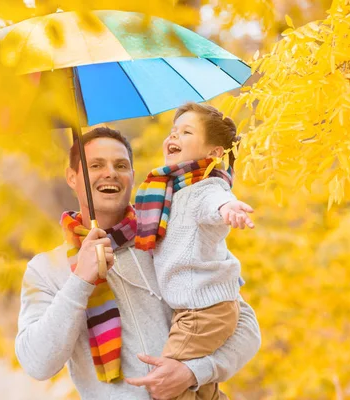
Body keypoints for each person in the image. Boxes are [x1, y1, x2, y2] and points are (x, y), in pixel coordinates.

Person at [15, 126, 261, 400]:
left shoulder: (172, 235)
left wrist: (193, 372)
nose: (110, 173)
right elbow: (36, 363)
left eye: (120, 165)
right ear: (72, 177)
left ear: (132, 176)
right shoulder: (46, 269)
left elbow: (246, 326)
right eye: (96, 165)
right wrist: (80, 281)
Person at [134, 102, 254, 399]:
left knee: (165, 385)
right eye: (173, 131)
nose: (173, 138)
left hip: (202, 311)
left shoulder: (205, 187)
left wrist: (230, 209)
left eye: (186, 132)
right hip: (201, 309)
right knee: (198, 388)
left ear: (213, 154)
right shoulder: (174, 191)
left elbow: (215, 202)